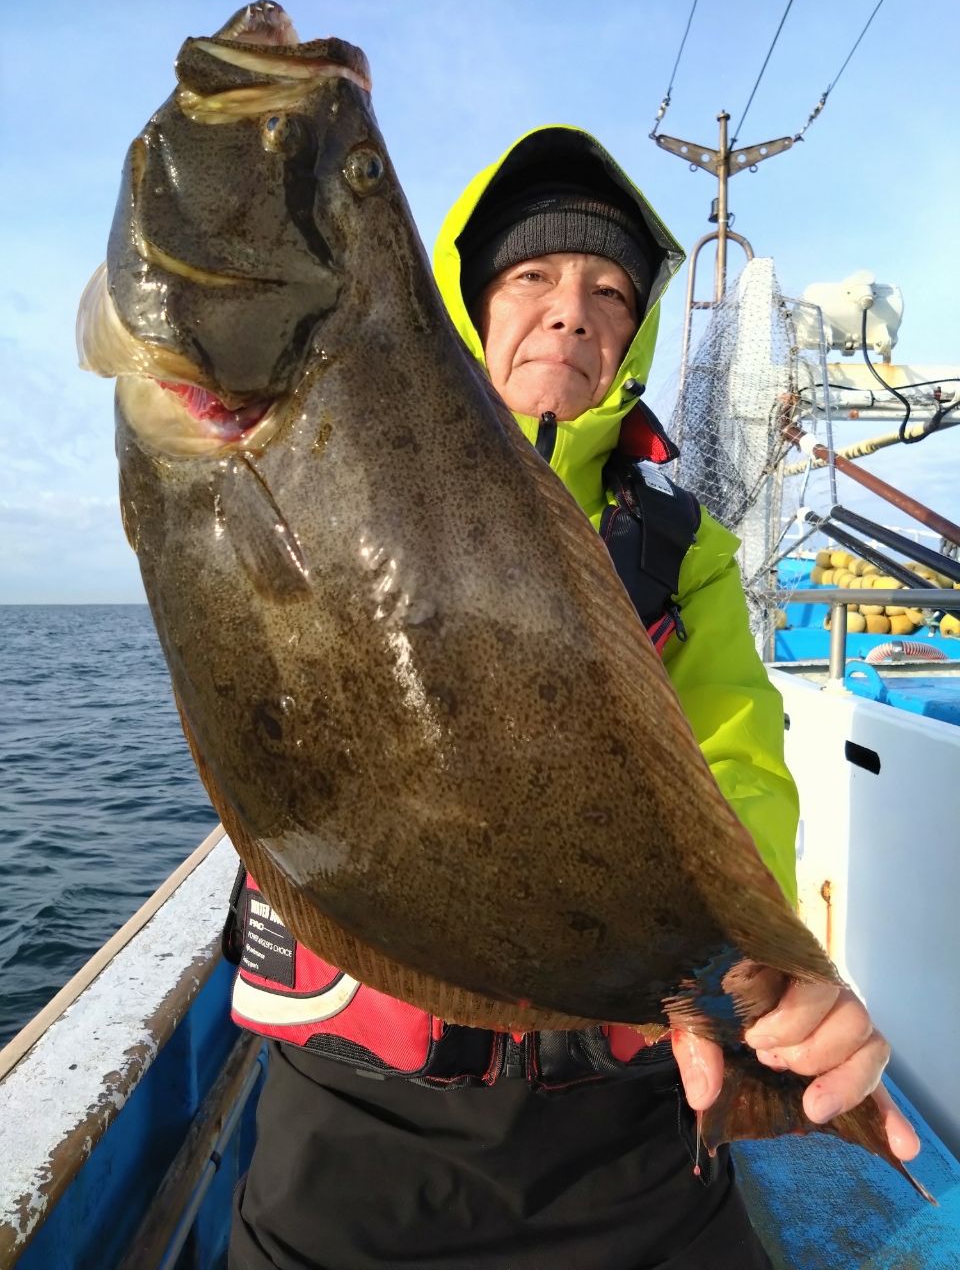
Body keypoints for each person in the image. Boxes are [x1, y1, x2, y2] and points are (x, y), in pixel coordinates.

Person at [228, 126, 919, 1270]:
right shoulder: (330, 468)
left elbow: (737, 765)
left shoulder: (680, 548)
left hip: (626, 1126)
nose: (571, 313)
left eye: (609, 291)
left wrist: (753, 958)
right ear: (469, 305)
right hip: (356, 1128)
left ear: (634, 336)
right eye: (532, 276)